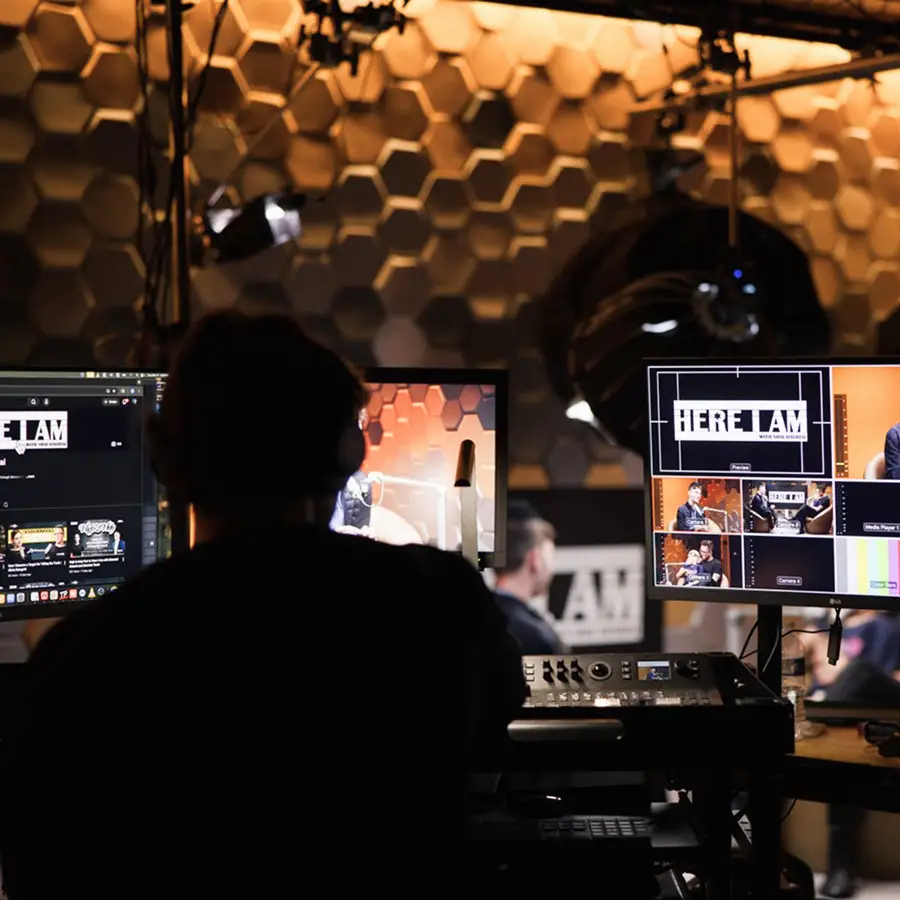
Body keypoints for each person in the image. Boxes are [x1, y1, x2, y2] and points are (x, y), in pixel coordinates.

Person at [0, 311, 526, 900]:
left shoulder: (82, 659)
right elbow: (497, 735)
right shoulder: (441, 604)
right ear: (349, 453)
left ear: (163, 460)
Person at [806, 611, 900, 898]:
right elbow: (810, 660)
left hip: (875, 703)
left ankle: (841, 867)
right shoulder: (828, 620)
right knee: (840, 754)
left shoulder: (890, 625)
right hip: (831, 708)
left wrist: (844, 669)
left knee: (859, 671)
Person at [493, 500, 567, 655]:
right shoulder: (537, 636)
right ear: (535, 559)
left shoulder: (471, 618)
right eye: (550, 556)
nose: (552, 568)